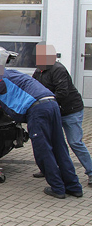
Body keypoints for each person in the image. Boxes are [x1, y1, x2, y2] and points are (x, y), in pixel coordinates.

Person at [0, 58, 83, 199]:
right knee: (59, 147)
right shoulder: (15, 75)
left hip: (38, 111)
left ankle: (58, 188)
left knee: (44, 151)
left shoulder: (0, 79)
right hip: (52, 105)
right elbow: (18, 99)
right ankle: (74, 187)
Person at [31, 42, 92, 186]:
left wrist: (45, 103)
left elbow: (62, 92)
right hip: (54, 111)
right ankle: (49, 169)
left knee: (75, 142)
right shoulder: (39, 71)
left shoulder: (58, 69)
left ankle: (91, 171)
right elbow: (33, 87)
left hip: (71, 110)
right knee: (50, 142)